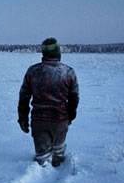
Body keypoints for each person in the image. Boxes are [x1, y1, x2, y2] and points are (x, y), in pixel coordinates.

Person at [18, 37, 79, 167]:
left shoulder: (32, 71)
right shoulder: (68, 72)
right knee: (58, 155)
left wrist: (23, 119)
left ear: (43, 54)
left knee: (42, 160)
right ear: (58, 53)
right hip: (61, 121)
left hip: (39, 122)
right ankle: (59, 173)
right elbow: (74, 98)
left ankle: (40, 175)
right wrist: (70, 116)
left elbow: (24, 97)